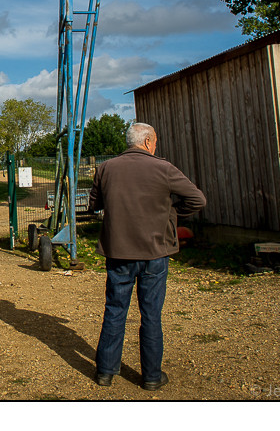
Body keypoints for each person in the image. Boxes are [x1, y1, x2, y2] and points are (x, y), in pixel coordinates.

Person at [88, 122, 206, 390]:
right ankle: (151, 377)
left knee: (115, 309)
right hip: (155, 251)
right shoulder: (164, 168)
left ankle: (105, 372)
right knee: (151, 313)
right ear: (149, 141)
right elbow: (198, 200)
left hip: (118, 251)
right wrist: (171, 212)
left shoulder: (106, 168)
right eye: (156, 142)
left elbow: (94, 205)